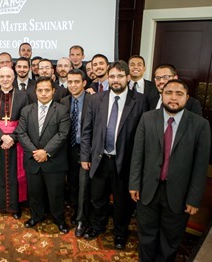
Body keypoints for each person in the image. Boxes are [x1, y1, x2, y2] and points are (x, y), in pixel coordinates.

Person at [129, 79, 210, 261]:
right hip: (148, 189)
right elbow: (137, 154)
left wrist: (194, 198)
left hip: (179, 194)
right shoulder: (147, 118)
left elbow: (200, 165)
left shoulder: (200, 125)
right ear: (162, 95)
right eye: (168, 93)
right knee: (146, 235)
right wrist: (134, 183)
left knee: (170, 239)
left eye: (179, 94)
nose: (173, 98)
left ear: (187, 98)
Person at [80, 60, 148, 249]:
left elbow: (144, 136)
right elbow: (87, 130)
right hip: (100, 160)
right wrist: (85, 157)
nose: (115, 80)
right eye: (112, 76)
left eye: (119, 76)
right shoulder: (96, 99)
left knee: (122, 203)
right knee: (98, 199)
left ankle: (120, 233)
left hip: (124, 162)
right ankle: (97, 226)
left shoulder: (141, 101)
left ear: (128, 77)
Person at [17, 76, 70, 234]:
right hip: (33, 160)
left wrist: (45, 152)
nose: (44, 93)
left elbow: (62, 134)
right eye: (40, 90)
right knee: (34, 192)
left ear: (53, 91)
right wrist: (35, 152)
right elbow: (21, 133)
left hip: (54, 161)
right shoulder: (27, 110)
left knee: (56, 194)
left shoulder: (61, 110)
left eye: (47, 90)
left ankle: (59, 219)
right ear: (36, 92)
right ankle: (36, 216)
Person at [0, 67, 29, 218]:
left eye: (8, 76)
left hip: (17, 141)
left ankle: (15, 207)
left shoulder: (23, 96)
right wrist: (2, 137)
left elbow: (25, 120)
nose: (5, 79)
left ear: (13, 78)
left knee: (16, 174)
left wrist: (12, 137)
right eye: (2, 76)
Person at [60, 69, 91, 237]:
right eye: (69, 82)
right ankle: (75, 210)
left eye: (76, 82)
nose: (72, 85)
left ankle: (81, 219)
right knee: (72, 183)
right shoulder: (63, 101)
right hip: (68, 149)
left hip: (86, 149)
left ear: (84, 83)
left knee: (84, 184)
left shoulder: (93, 100)